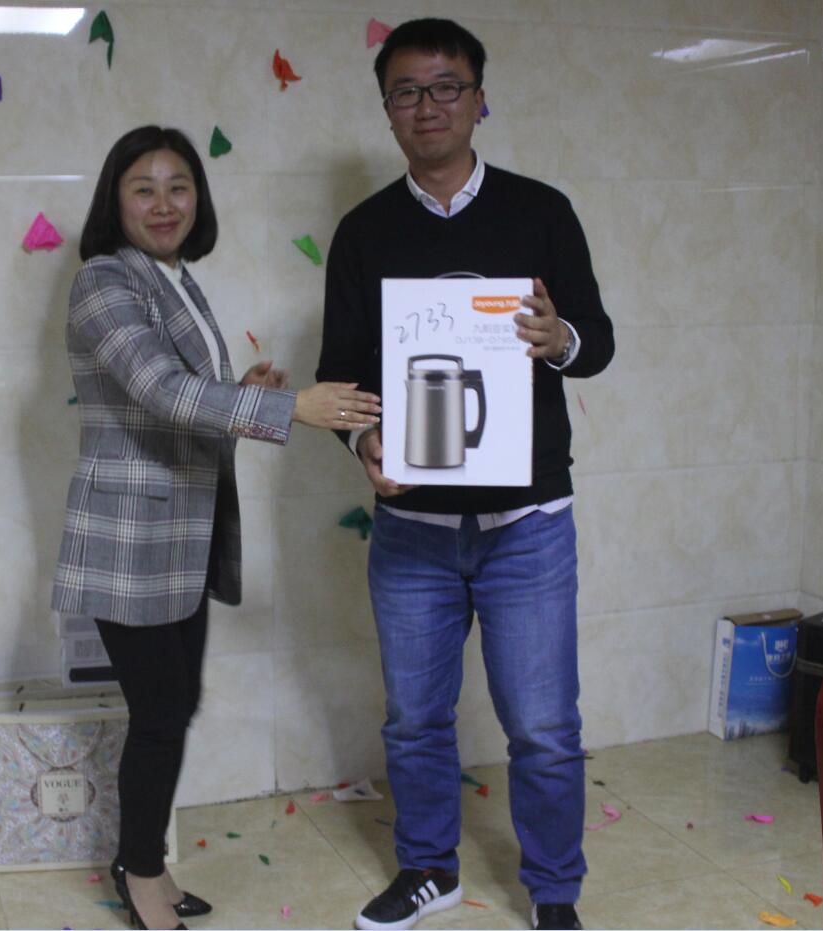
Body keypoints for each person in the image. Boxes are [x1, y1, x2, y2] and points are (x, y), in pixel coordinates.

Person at [316, 19, 613, 931]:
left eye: (446, 86)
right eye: (406, 91)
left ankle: (554, 890)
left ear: (479, 98)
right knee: (413, 718)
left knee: (543, 726)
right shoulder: (363, 232)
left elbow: (596, 343)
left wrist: (556, 337)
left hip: (528, 522)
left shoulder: (541, 211)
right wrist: (363, 446)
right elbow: (342, 378)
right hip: (412, 532)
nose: (427, 106)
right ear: (386, 109)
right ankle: (427, 869)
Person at [54, 125, 380, 930]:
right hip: (131, 542)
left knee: (174, 705)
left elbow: (181, 404)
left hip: (181, 537)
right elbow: (160, 389)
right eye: (143, 188)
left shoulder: (177, 278)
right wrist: (287, 407)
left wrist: (243, 392)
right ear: (114, 201)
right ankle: (139, 872)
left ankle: (146, 863)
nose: (164, 203)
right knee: (160, 712)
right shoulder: (103, 279)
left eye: (179, 186)